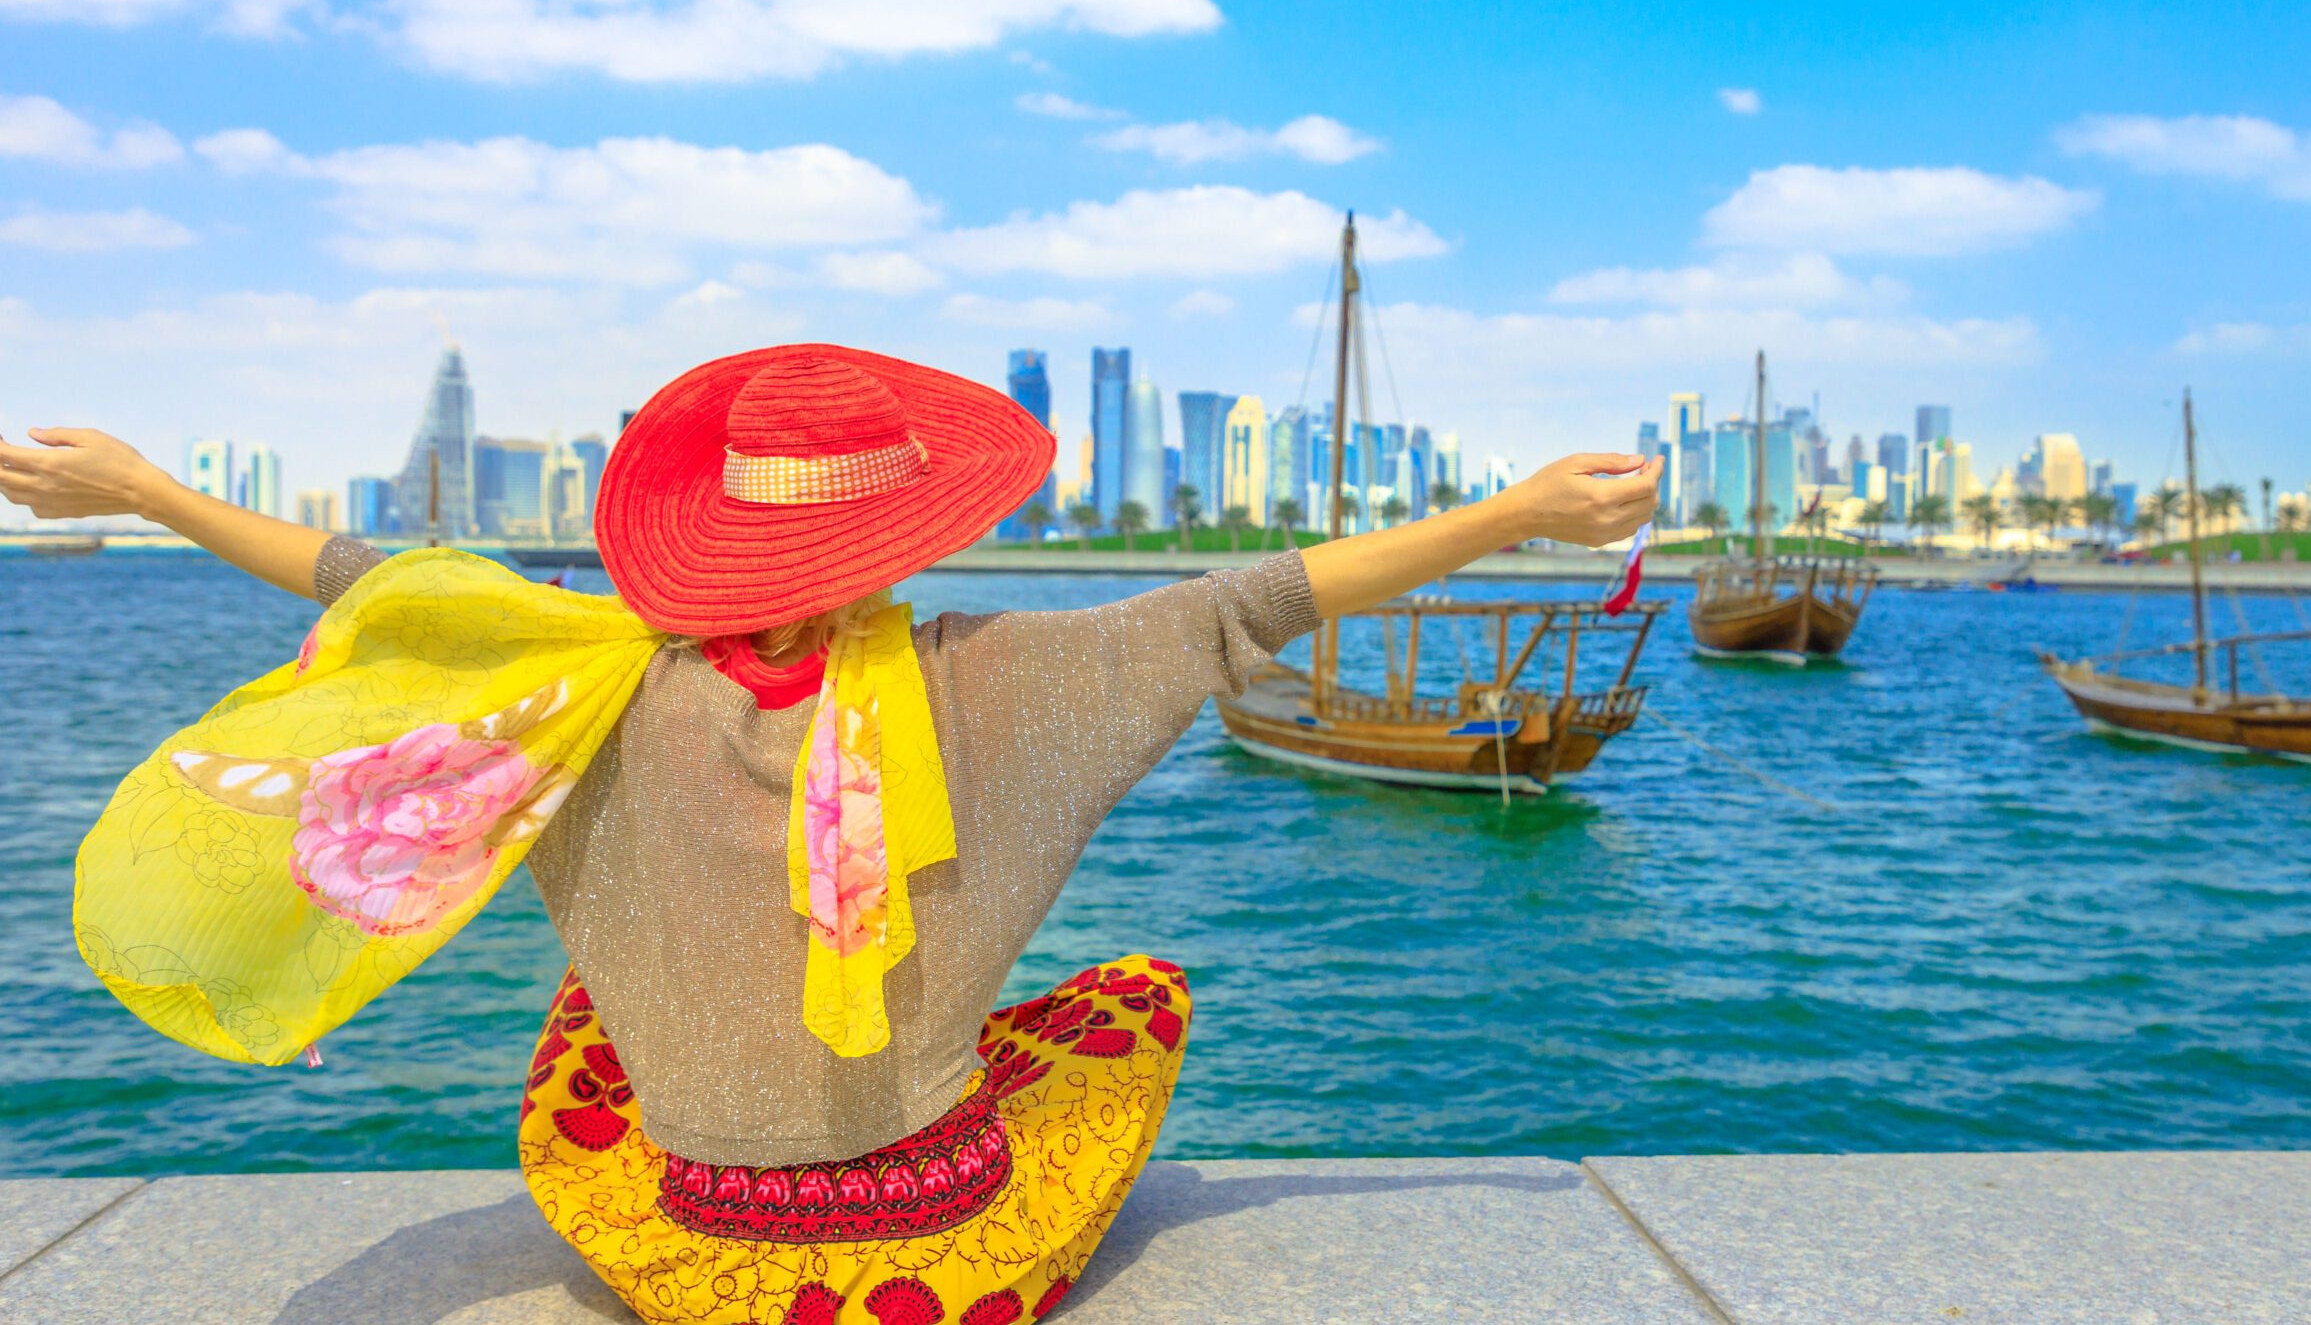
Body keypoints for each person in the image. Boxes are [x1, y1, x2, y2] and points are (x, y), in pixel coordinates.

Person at [2, 343, 1659, 1325]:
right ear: (901, 534)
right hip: (939, 1241)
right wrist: (1517, 515)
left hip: (699, 1235)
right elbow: (1252, 606)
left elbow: (364, 585)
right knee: (1123, 1000)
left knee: (593, 1020)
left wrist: (145, 486)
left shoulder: (578, 683)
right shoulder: (1003, 686)